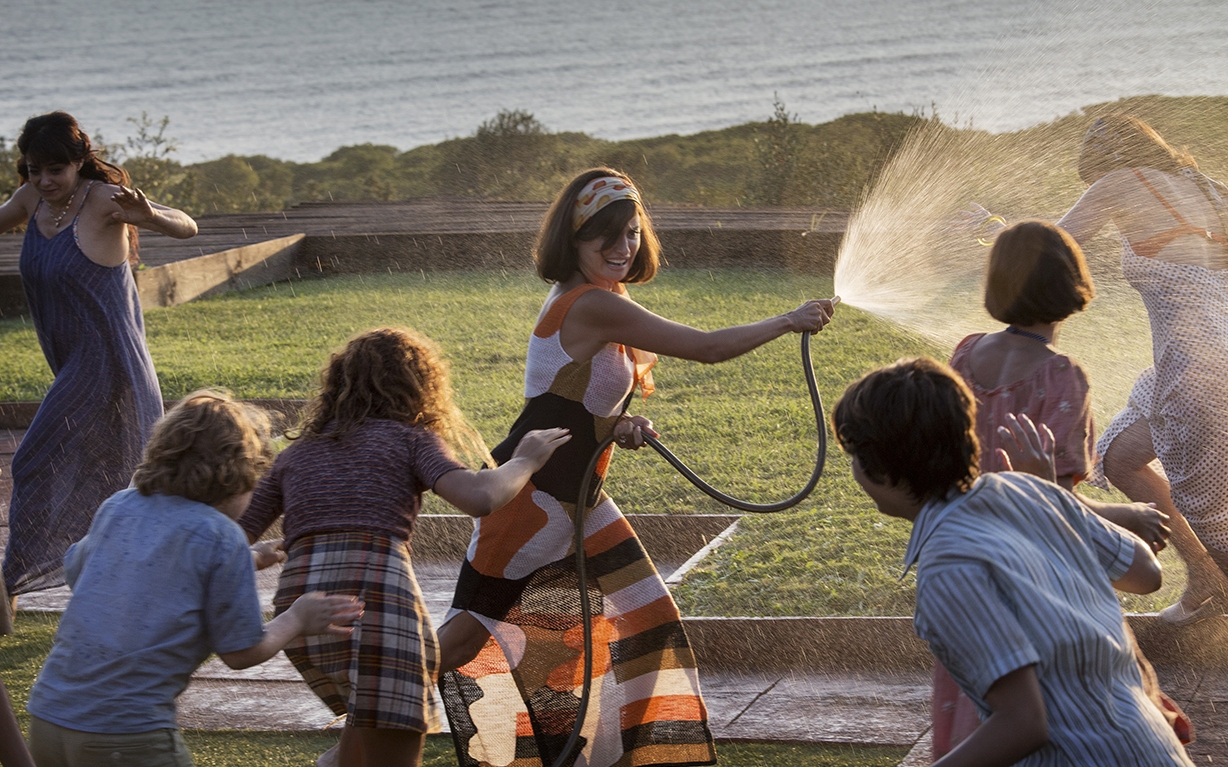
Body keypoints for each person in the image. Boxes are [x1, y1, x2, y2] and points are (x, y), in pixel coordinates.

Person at [435, 168, 837, 767]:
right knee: (468, 632)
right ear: (574, 242)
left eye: (631, 234)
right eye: (607, 237)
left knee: (647, 619)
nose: (622, 249)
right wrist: (787, 320)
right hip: (532, 498)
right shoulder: (591, 304)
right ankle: (366, 721)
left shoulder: (604, 299)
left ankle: (632, 757)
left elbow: (569, 396)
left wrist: (614, 424)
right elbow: (706, 347)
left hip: (579, 501)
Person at [833, 357, 1193, 767]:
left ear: (882, 471)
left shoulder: (947, 569)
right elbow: (1146, 574)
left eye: (856, 457)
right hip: (1153, 748)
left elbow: (1022, 723)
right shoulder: (1030, 489)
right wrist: (1058, 506)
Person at [237, 328, 571, 767]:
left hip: (304, 612)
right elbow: (480, 496)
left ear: (338, 386)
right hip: (375, 602)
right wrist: (525, 460)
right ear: (420, 388)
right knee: (396, 744)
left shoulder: (297, 455)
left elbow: (230, 539)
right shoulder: (410, 438)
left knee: (365, 730)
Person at [934, 219, 1184, 758]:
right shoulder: (1061, 377)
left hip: (971, 564)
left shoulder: (964, 354)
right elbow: (1051, 502)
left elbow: (987, 483)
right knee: (1058, 710)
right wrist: (1124, 517)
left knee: (986, 713)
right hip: (1036, 578)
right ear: (1072, 284)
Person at [24, 391, 362, 767]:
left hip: (48, 719)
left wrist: (245, 560)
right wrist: (296, 619)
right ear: (238, 475)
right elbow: (240, 652)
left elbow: (91, 571)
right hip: (125, 734)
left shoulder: (119, 505)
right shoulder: (221, 536)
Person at [0, 111, 198, 605]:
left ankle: (10, 584)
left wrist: (149, 216)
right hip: (71, 364)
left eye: (56, 170)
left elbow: (187, 226)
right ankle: (139, 581)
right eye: (33, 169)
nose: (44, 181)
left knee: (33, 462)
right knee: (112, 480)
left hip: (108, 366)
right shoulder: (32, 198)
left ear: (79, 162)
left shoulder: (104, 200)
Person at [1055, 114, 1228, 624]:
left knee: (1212, 519)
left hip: (1202, 375)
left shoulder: (1121, 180)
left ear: (1109, 160)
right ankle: (1204, 576)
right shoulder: (1214, 191)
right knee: (1121, 457)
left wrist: (988, 229)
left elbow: (1049, 249)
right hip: (1188, 366)